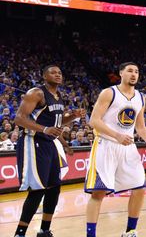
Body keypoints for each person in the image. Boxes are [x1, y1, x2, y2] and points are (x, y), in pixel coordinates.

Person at [13, 65, 86, 237]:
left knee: (54, 188)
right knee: (38, 189)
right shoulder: (36, 93)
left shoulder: (58, 97)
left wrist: (73, 116)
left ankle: (44, 230)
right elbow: (19, 118)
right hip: (33, 141)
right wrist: (45, 129)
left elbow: (57, 125)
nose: (57, 75)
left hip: (49, 143)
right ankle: (20, 233)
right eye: (53, 72)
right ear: (44, 76)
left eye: (60, 72)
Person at [84, 62, 146, 237]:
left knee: (140, 187)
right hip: (106, 144)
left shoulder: (141, 97)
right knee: (98, 192)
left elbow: (139, 126)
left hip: (128, 147)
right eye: (130, 71)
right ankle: (90, 235)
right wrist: (117, 135)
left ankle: (130, 231)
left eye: (137, 71)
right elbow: (94, 120)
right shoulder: (109, 92)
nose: (134, 74)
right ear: (121, 73)